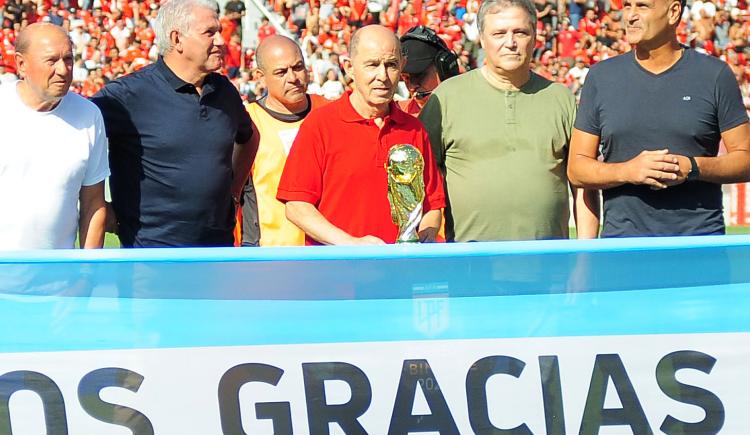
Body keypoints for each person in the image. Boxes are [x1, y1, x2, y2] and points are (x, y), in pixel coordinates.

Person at [419, 0, 599, 242]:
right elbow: (422, 177)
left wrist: (584, 255)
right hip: (470, 266)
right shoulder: (446, 98)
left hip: (549, 267)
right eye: (499, 33)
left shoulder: (560, 98)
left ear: (535, 37)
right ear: (482, 38)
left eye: (520, 32)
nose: (510, 42)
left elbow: (582, 184)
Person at [567, 0, 750, 236]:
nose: (630, 16)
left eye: (642, 6)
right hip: (623, 248)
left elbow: (745, 160)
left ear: (673, 12)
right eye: (627, 6)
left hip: (699, 246)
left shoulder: (714, 74)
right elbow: (577, 168)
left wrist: (692, 167)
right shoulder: (601, 77)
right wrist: (627, 171)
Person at [92, 0, 254, 247]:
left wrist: (234, 191)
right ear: (177, 39)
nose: (221, 41)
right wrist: (99, 205)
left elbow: (249, 137)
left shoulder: (224, 92)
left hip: (218, 250)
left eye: (219, 31)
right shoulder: (128, 95)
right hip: (150, 256)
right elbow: (75, 139)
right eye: (210, 33)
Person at [276, 25, 446, 245]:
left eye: (391, 65)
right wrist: (351, 244)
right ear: (349, 67)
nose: (382, 76)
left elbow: (432, 205)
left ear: (402, 67)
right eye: (372, 65)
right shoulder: (320, 125)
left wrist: (425, 235)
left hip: (400, 272)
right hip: (337, 273)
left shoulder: (414, 129)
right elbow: (297, 206)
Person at [0, 23, 108, 249]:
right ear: (21, 63)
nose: (63, 69)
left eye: (68, 59)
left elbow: (93, 204)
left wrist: (87, 273)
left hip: (59, 279)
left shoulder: (88, 116)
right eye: (51, 61)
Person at [231, 35, 328, 246]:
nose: (293, 77)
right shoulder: (248, 125)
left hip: (327, 251)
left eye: (298, 67)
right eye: (281, 72)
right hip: (270, 255)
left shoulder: (330, 112)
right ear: (261, 77)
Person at [398, 25, 460, 116]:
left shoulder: (471, 109)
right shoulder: (398, 114)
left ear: (445, 69)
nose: (411, 87)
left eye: (418, 76)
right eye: (406, 78)